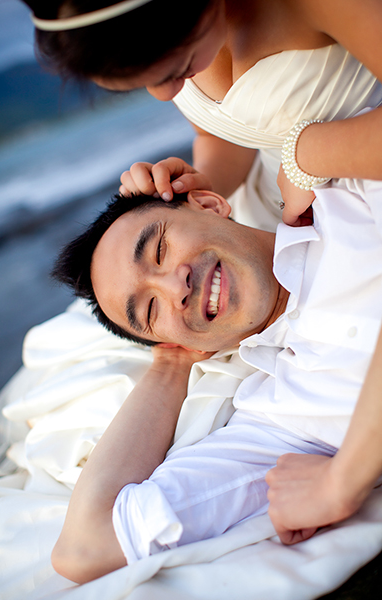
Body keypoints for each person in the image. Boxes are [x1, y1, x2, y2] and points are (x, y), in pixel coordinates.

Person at [50, 178, 382, 583]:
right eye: (152, 310)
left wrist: (343, 480)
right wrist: (169, 368)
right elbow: (86, 547)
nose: (176, 287)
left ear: (209, 203)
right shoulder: (279, 420)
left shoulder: (346, 196)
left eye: (160, 250)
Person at [22, 0, 382, 228]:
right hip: (275, 220)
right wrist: (197, 186)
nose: (164, 96)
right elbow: (222, 135)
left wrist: (306, 157)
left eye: (176, 70)